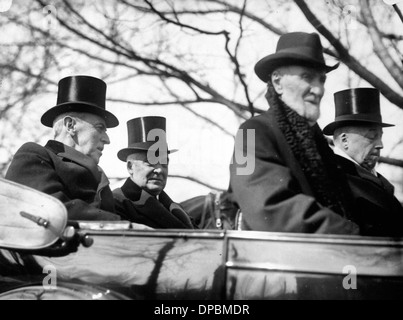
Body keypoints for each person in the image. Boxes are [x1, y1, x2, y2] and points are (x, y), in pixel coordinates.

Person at [229, 32, 360, 234]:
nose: (318, 90)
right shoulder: (250, 133)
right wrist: (354, 235)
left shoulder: (319, 146)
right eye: (307, 77)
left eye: (321, 80)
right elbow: (267, 208)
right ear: (277, 82)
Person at [5, 75, 121, 221]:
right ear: (70, 126)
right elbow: (50, 209)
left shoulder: (98, 174)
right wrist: (120, 224)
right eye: (99, 128)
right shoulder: (35, 155)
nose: (107, 139)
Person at [323, 88, 403, 236]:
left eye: (380, 136)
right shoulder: (333, 177)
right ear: (344, 140)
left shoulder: (373, 179)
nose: (380, 144)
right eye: (372, 137)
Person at [113, 116, 195, 229]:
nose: (160, 170)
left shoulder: (176, 210)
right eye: (150, 162)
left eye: (164, 163)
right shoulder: (117, 204)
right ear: (130, 167)